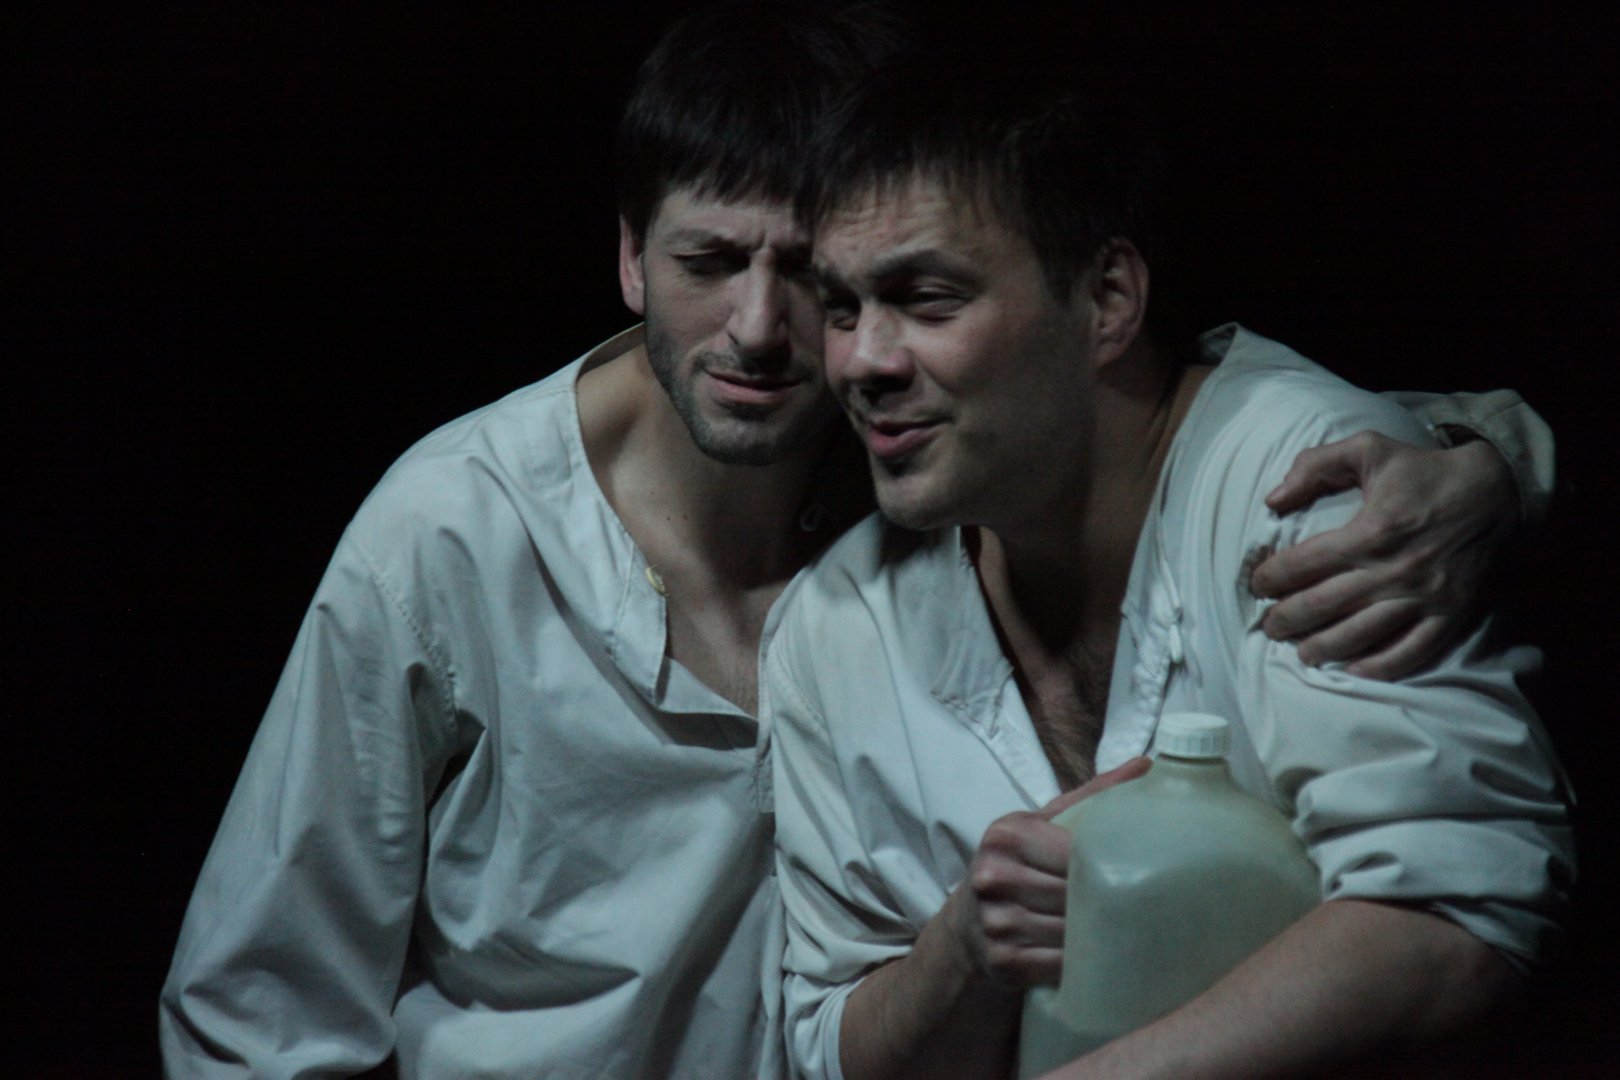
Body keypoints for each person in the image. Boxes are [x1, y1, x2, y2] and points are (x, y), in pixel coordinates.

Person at [160, 5, 1551, 1077]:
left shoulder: (907, 456)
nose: (769, 335)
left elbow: (1200, 425)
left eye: (820, 284)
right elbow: (258, 1010)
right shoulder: (450, 535)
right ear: (632, 256)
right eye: (711, 263)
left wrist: (1488, 461)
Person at [766, 49, 1574, 1080]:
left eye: (926, 299)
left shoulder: (1307, 486)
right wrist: (962, 952)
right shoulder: (835, 623)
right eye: (840, 309)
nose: (860, 361)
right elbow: (833, 1042)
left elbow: (1454, 916)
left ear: (1108, 297)